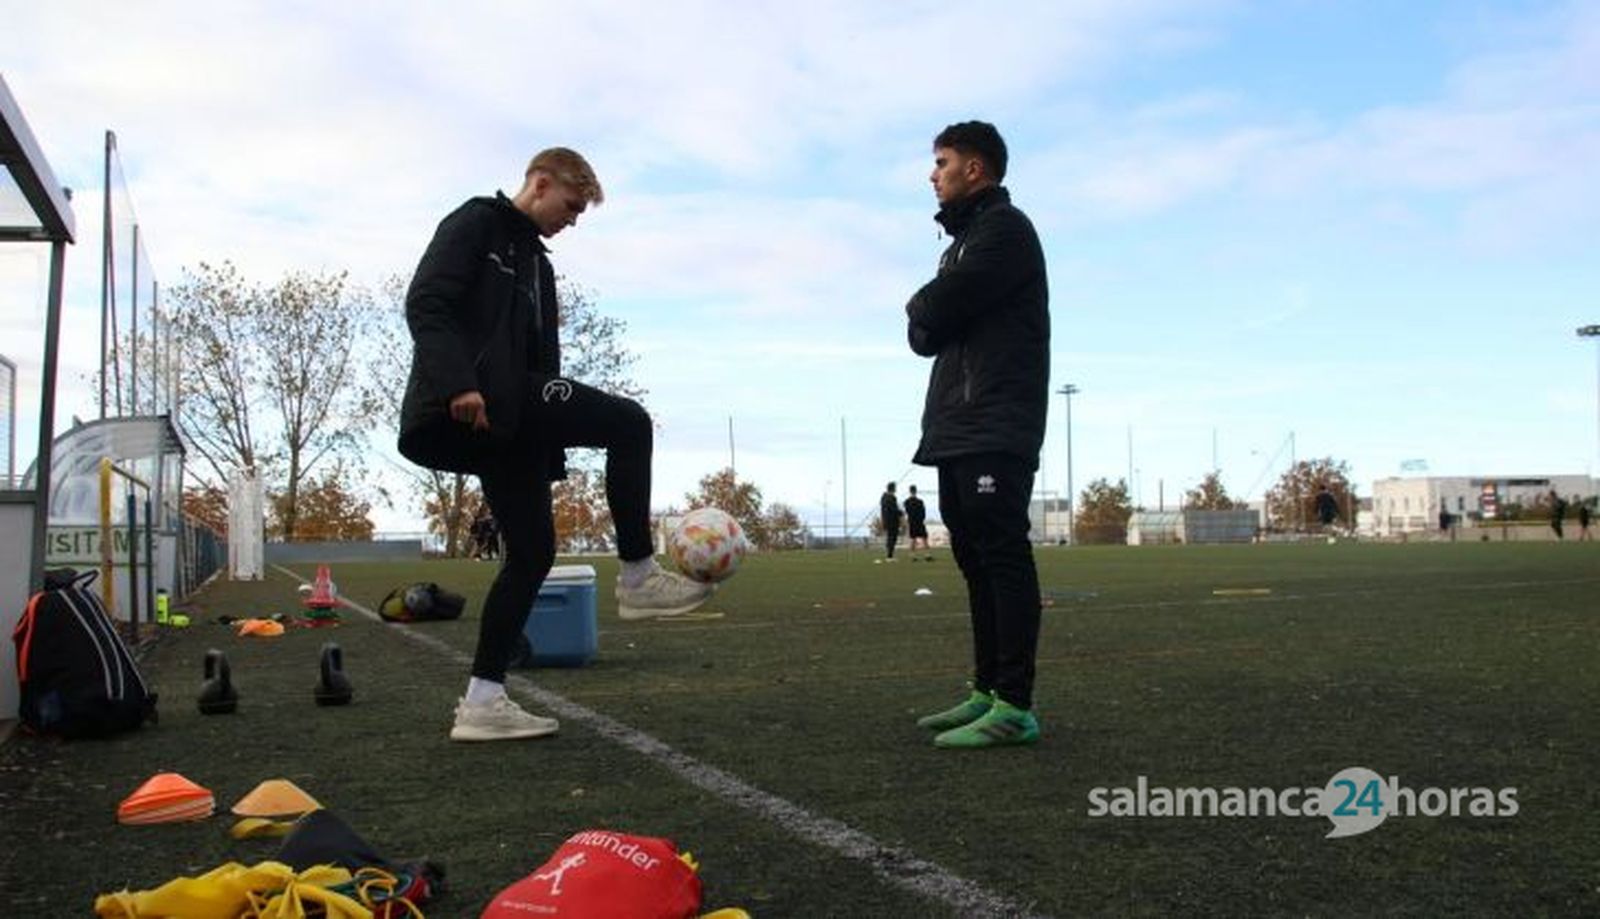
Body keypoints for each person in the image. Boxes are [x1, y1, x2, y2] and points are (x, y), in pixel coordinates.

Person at [399, 147, 714, 743]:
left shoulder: (538, 264)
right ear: (540, 183)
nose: (572, 220)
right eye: (570, 206)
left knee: (532, 555)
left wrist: (546, 455)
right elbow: (427, 303)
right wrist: (459, 383)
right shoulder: (476, 223)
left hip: (512, 423)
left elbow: (544, 364)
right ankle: (638, 575)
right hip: (468, 402)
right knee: (630, 422)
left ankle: (482, 703)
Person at [905, 121, 1049, 749]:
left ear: (976, 169)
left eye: (942, 162)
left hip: (996, 421)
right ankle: (987, 691)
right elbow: (924, 337)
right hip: (957, 424)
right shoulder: (958, 246)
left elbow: (934, 311)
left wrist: (925, 303)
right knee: (971, 559)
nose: (932, 174)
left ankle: (1015, 704)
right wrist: (930, 306)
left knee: (1001, 553)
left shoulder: (1005, 230)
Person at [904, 484, 931, 560]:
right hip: (919, 522)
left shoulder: (906, 502)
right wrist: (921, 519)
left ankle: (913, 556)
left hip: (912, 522)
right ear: (916, 491)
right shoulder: (920, 501)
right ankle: (927, 555)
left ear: (910, 491)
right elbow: (923, 513)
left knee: (913, 538)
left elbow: (907, 512)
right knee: (924, 538)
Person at [879, 481, 902, 561]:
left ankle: (889, 555)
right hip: (892, 521)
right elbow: (893, 510)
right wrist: (901, 513)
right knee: (892, 538)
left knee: (889, 537)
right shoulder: (892, 498)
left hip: (886, 520)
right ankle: (890, 556)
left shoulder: (883, 497)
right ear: (893, 488)